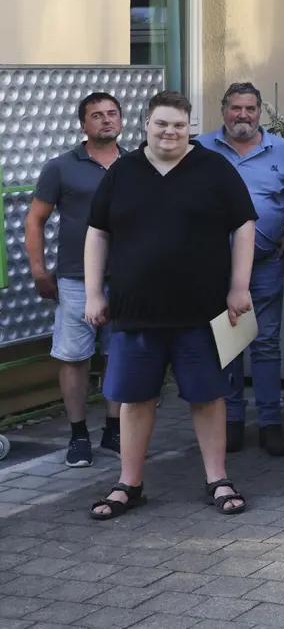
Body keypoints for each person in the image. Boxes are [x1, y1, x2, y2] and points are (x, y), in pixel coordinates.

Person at [83, 91, 256, 520]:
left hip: (201, 311)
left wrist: (239, 286)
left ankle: (217, 478)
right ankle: (129, 484)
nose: (170, 132)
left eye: (178, 125)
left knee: (208, 397)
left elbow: (245, 226)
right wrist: (92, 293)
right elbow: (97, 234)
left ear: (189, 127)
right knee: (135, 400)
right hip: (135, 311)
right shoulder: (122, 172)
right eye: (161, 124)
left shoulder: (213, 169)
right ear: (146, 124)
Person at [199, 81, 284, 457]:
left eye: (249, 108)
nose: (242, 115)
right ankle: (231, 420)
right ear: (223, 110)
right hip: (215, 268)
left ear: (260, 111)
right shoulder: (200, 149)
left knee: (265, 344)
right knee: (228, 345)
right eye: (235, 108)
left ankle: (270, 423)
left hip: (264, 266)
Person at [26, 92, 126, 466]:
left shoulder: (135, 164)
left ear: (121, 120)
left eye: (112, 114)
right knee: (74, 357)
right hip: (75, 278)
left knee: (120, 353)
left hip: (126, 277)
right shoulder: (60, 167)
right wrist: (38, 270)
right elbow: (35, 220)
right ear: (83, 124)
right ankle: (78, 435)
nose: (105, 120)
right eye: (96, 115)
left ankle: (114, 430)